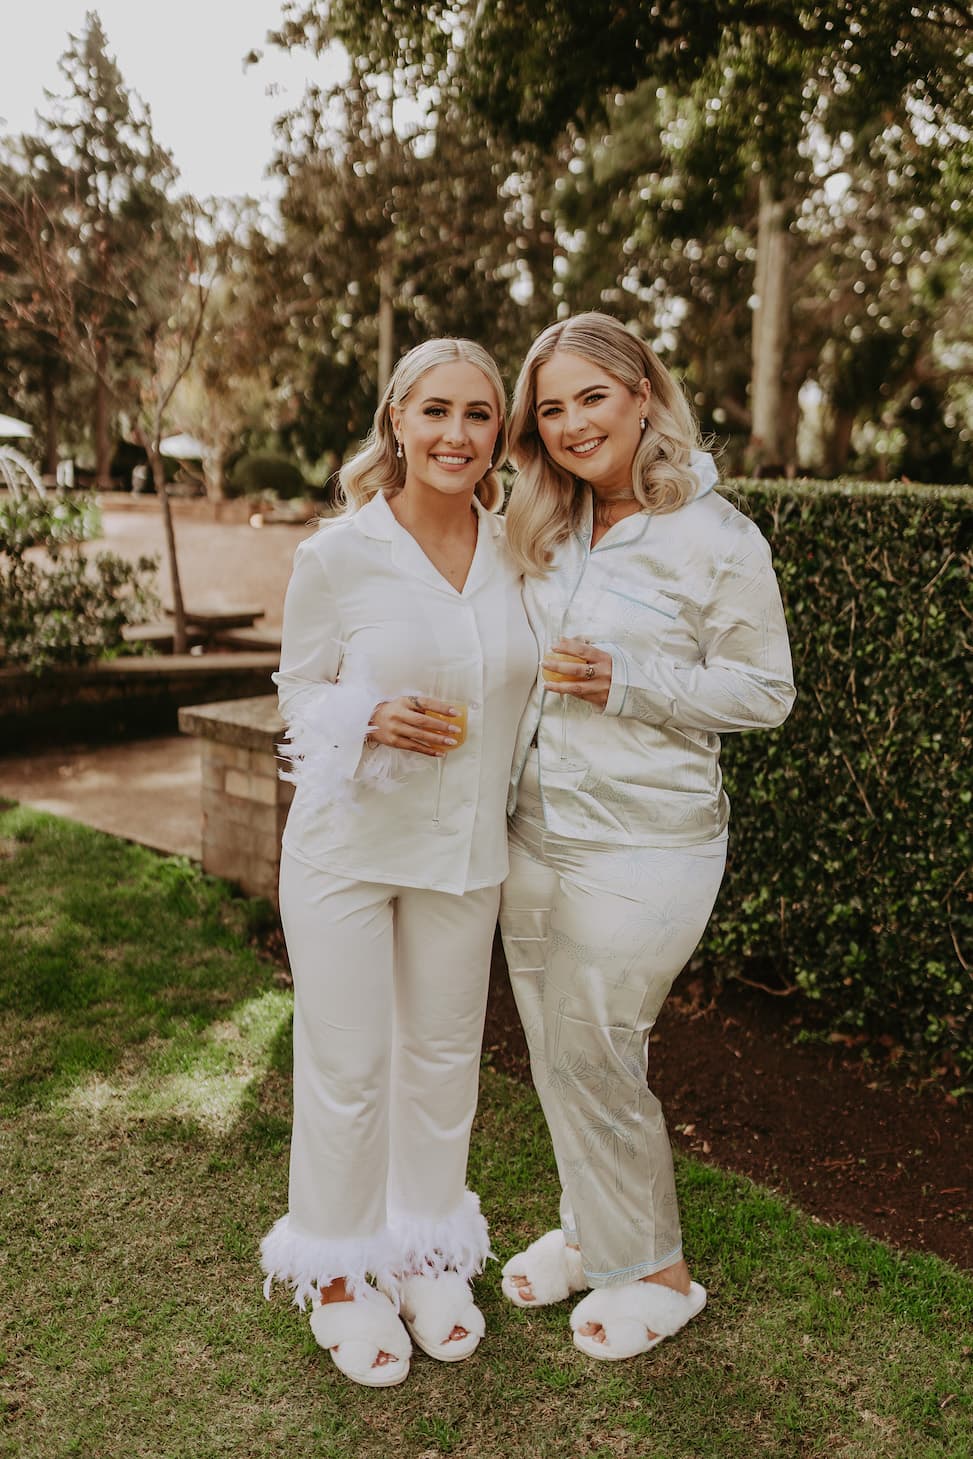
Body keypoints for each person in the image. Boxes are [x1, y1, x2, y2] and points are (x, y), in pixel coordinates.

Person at [498, 312, 795, 1361]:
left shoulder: (715, 535)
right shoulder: (544, 523)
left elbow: (767, 691)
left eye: (592, 396)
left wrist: (632, 682)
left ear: (639, 393)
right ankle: (592, 1234)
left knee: (597, 1045)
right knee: (554, 1047)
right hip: (531, 834)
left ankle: (659, 1274)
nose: (575, 422)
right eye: (551, 408)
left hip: (649, 844)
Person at [261, 338, 537, 1387]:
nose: (456, 434)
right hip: (345, 851)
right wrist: (365, 712)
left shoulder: (523, 551)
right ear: (396, 422)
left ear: (498, 433)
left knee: (440, 1063)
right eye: (435, 412)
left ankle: (425, 1255)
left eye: (477, 414)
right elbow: (295, 691)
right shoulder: (337, 555)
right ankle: (339, 1275)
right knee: (347, 1064)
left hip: (465, 851)